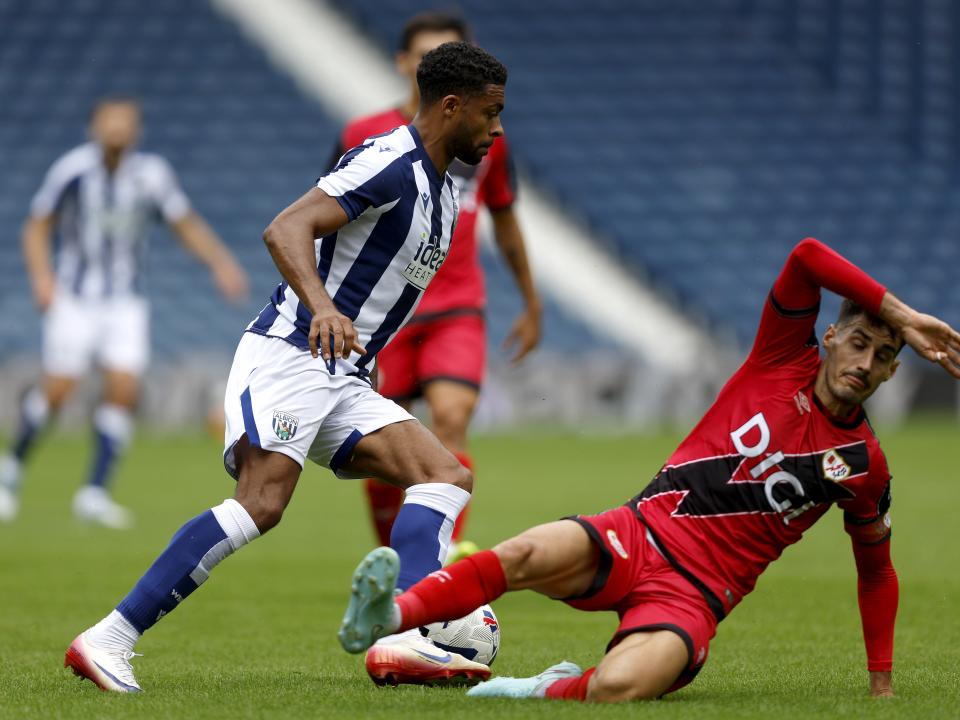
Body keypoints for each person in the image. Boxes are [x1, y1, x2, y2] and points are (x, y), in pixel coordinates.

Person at [63, 41, 510, 693]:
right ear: (451, 105)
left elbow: (378, 289)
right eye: (490, 112)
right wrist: (324, 310)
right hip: (292, 353)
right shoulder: (388, 160)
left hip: (346, 376)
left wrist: (366, 357)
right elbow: (286, 227)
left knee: (443, 475)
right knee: (262, 503)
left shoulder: (442, 196)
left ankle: (409, 637)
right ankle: (108, 637)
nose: (497, 129)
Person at [339, 237, 960, 702]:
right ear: (829, 337)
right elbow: (805, 256)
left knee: (621, 686)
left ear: (891, 374)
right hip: (635, 533)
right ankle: (390, 618)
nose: (866, 361)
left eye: (883, 355)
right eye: (859, 341)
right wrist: (902, 316)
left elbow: (876, 571)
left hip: (694, 595)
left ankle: (537, 689)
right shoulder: (778, 357)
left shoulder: (863, 466)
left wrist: (883, 687)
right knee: (525, 552)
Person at [329, 13, 541, 559]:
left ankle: (446, 553)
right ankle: (396, 558)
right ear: (404, 64)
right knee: (381, 449)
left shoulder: (486, 135)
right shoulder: (364, 136)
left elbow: (506, 220)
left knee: (450, 419)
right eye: (426, 55)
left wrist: (531, 300)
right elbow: (324, 217)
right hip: (384, 316)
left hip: (456, 305)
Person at [0, 97, 249, 528]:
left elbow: (183, 222)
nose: (118, 129)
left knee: (123, 388)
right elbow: (37, 225)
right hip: (75, 299)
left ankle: (94, 492)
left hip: (124, 302)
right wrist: (43, 278)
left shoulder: (150, 174)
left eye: (126, 122)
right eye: (110, 121)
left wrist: (220, 262)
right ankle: (11, 472)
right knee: (59, 389)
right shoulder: (73, 170)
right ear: (94, 127)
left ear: (136, 130)